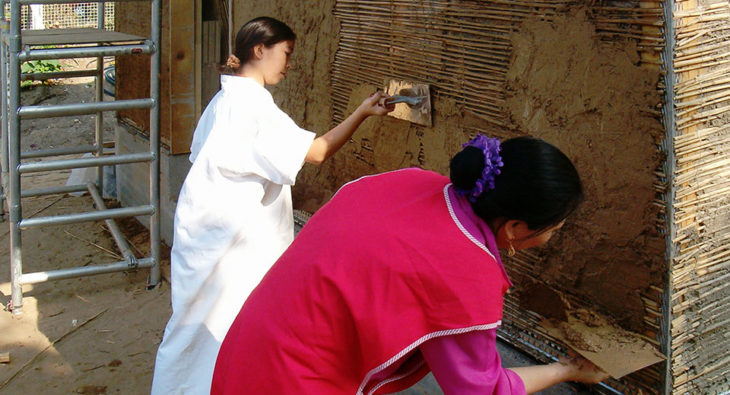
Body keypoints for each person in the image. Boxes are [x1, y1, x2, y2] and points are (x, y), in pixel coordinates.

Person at [211, 135, 610, 394]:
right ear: (516, 228)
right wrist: (565, 370)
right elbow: (482, 390)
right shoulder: (467, 272)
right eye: (553, 229)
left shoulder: (408, 182)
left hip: (242, 356)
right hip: (293, 382)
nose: (551, 238)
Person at [151, 16, 393, 394]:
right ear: (260, 50)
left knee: (196, 330)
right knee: (217, 331)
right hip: (227, 243)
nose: (289, 63)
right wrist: (362, 113)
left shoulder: (224, 98)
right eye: (286, 53)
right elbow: (317, 152)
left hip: (205, 233)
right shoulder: (250, 107)